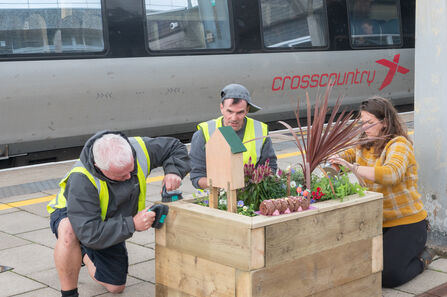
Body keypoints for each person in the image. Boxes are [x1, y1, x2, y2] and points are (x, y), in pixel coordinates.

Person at [47, 131, 190, 297]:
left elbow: (174, 146)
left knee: (116, 286)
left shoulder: (139, 148)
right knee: (69, 230)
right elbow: (88, 232)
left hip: (111, 218)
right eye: (122, 175)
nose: (130, 176)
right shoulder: (81, 180)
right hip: (77, 217)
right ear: (101, 168)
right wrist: (132, 224)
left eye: (131, 169)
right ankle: (69, 292)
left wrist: (174, 171)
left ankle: (82, 253)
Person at [329, 97, 434, 288]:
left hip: (407, 222)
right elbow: (345, 156)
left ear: (385, 122)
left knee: (388, 277)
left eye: (370, 123)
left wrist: (351, 167)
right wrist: (334, 160)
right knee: (359, 267)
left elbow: (390, 174)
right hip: (377, 221)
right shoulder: (363, 145)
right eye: (362, 123)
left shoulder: (398, 144)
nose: (364, 128)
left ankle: (424, 259)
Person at [190, 83, 277, 189]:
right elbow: (197, 177)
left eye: (240, 112)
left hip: (250, 194)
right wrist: (223, 185)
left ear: (247, 110)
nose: (234, 118)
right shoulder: (204, 132)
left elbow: (270, 166)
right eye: (229, 111)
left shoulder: (260, 130)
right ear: (221, 108)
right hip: (215, 198)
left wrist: (252, 185)